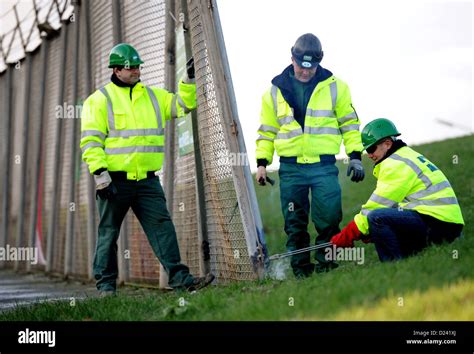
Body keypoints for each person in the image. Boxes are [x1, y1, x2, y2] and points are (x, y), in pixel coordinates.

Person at [80, 43, 214, 296]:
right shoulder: (98, 101)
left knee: (162, 228)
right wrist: (100, 175)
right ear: (117, 70)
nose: (136, 72)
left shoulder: (153, 97)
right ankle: (106, 287)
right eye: (131, 68)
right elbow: (91, 141)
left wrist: (189, 79)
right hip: (113, 181)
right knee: (108, 233)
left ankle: (183, 282)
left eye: (138, 67)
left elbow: (182, 105)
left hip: (148, 182)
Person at [256, 33, 365, 278]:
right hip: (291, 168)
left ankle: (327, 266)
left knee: (329, 217)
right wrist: (262, 163)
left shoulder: (337, 87)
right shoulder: (273, 92)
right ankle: (301, 271)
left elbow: (349, 124)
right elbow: (267, 130)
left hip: (324, 166)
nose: (306, 72)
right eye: (301, 66)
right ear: (292, 58)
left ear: (318, 63)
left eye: (311, 67)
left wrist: (355, 155)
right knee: (295, 222)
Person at [330, 118, 464, 261]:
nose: (369, 155)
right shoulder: (405, 155)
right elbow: (397, 206)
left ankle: (392, 265)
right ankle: (408, 258)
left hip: (439, 224)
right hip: (444, 223)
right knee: (381, 220)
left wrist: (349, 233)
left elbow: (377, 206)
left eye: (371, 149)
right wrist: (370, 232)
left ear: (387, 144)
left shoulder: (395, 164)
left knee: (376, 218)